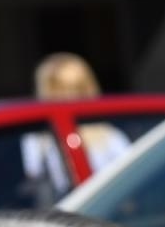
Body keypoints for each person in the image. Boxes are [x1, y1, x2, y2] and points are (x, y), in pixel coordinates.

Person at [20, 52, 131, 203]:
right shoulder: (36, 140)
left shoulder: (110, 136)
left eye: (75, 88)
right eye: (60, 90)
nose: (68, 96)